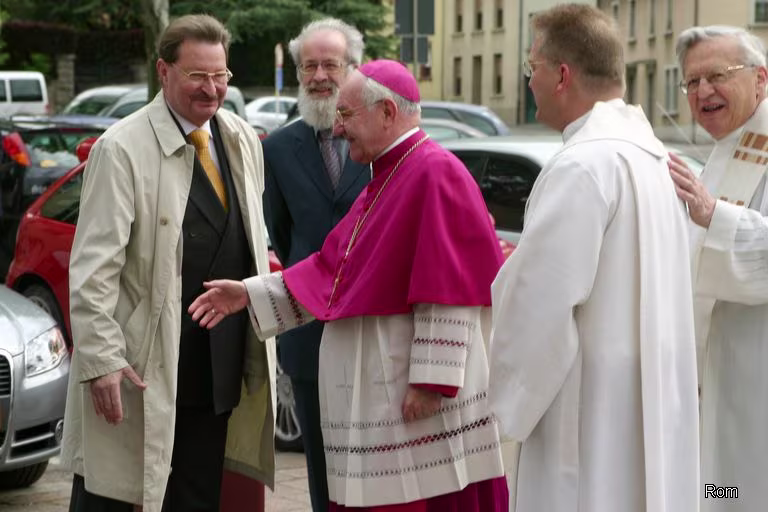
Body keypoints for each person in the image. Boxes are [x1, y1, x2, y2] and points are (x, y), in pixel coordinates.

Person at [189, 59, 509, 511]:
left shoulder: (435, 173)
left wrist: (432, 382)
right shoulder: (388, 175)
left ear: (387, 112)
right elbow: (332, 272)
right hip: (385, 394)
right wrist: (248, 294)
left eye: (346, 114)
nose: (337, 129)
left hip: (411, 397)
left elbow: (450, 287)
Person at [488, 4, 699, 512]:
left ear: (562, 75)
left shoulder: (581, 166)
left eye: (532, 67)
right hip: (649, 398)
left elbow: (540, 304)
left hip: (587, 415)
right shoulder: (655, 157)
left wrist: (504, 404)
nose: (529, 82)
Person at [60, 14, 276, 512]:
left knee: (196, 497)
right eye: (198, 75)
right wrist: (102, 360)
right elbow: (93, 270)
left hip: (214, 370)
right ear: (163, 70)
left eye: (220, 75)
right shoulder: (120, 148)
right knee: (110, 495)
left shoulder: (242, 138)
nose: (212, 89)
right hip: (140, 368)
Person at [262, 18, 370, 512]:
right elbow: (284, 236)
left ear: (354, 69)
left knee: (377, 468)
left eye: (331, 64)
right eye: (310, 66)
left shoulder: (379, 140)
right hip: (308, 333)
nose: (320, 76)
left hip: (373, 326)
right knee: (321, 471)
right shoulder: (277, 149)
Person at [668, 25, 768, 512]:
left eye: (717, 75)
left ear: (761, 79)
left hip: (755, 376)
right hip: (716, 376)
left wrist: (715, 215)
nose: (702, 91)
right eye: (691, 82)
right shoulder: (727, 148)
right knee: (718, 491)